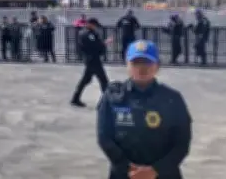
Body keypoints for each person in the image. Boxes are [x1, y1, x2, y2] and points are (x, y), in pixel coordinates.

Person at [97, 40, 192, 179]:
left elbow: (182, 142)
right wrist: (128, 168)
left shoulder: (172, 99)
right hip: (124, 173)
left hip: (164, 174)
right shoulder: (113, 97)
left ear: (157, 66)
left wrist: (155, 170)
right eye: (136, 63)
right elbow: (104, 136)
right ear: (127, 65)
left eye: (148, 62)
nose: (142, 68)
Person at [71, 17, 109, 107]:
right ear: (90, 24)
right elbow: (94, 46)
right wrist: (104, 44)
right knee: (103, 80)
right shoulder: (87, 34)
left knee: (85, 80)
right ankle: (108, 101)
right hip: (93, 59)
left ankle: (75, 98)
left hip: (91, 59)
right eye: (94, 26)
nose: (95, 27)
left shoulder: (88, 33)